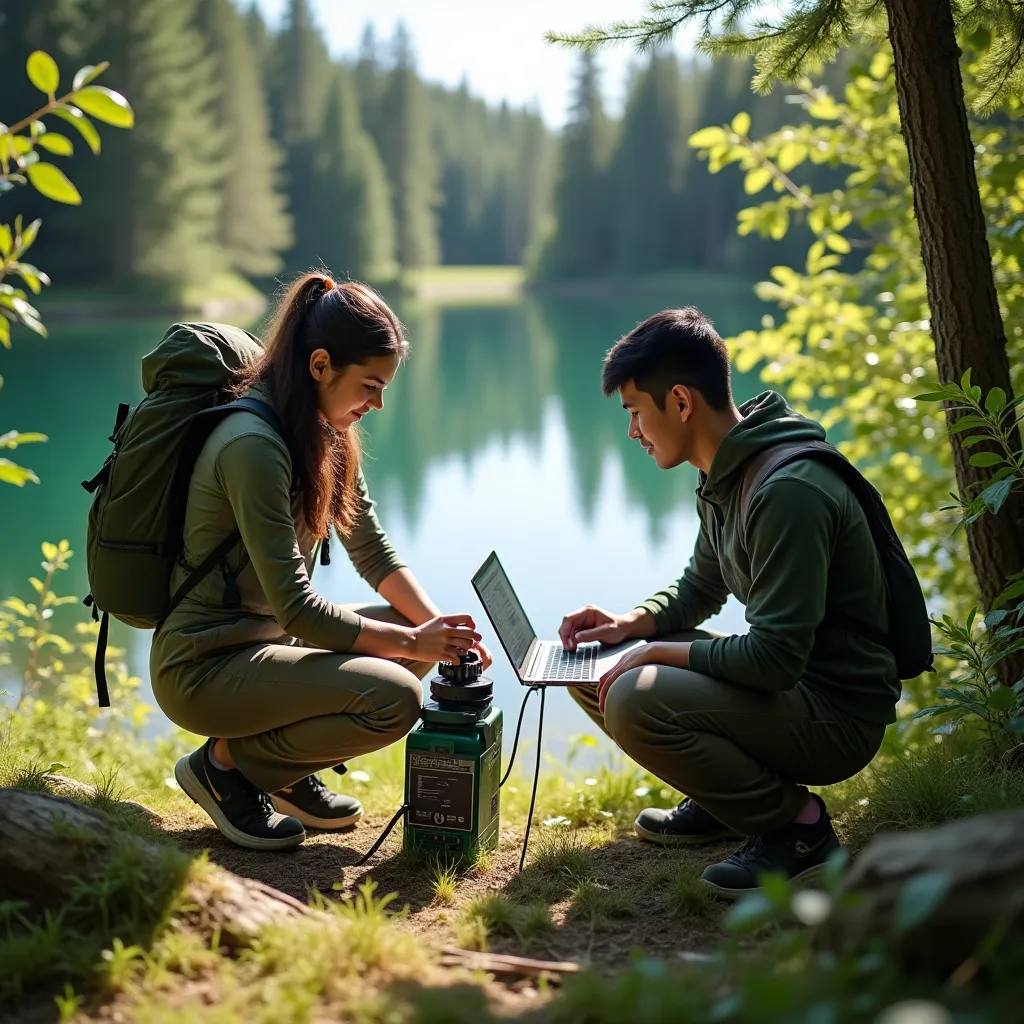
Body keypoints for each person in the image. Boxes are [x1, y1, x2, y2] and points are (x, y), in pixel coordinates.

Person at [558, 308, 898, 899]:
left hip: (837, 715)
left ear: (680, 402)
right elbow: (700, 587)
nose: (633, 431)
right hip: (793, 691)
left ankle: (799, 831)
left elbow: (774, 660)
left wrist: (653, 654)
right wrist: (628, 626)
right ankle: (726, 801)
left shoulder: (787, 491)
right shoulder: (725, 472)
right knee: (595, 668)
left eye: (635, 412)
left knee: (634, 697)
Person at [153, 272, 489, 851]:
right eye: (369, 385)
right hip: (204, 664)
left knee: (410, 633)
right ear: (320, 365)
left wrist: (437, 631)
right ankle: (225, 766)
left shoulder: (324, 432)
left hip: (269, 644)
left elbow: (372, 551)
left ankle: (281, 772)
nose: (377, 403)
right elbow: (298, 608)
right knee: (396, 697)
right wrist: (415, 644)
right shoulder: (252, 446)